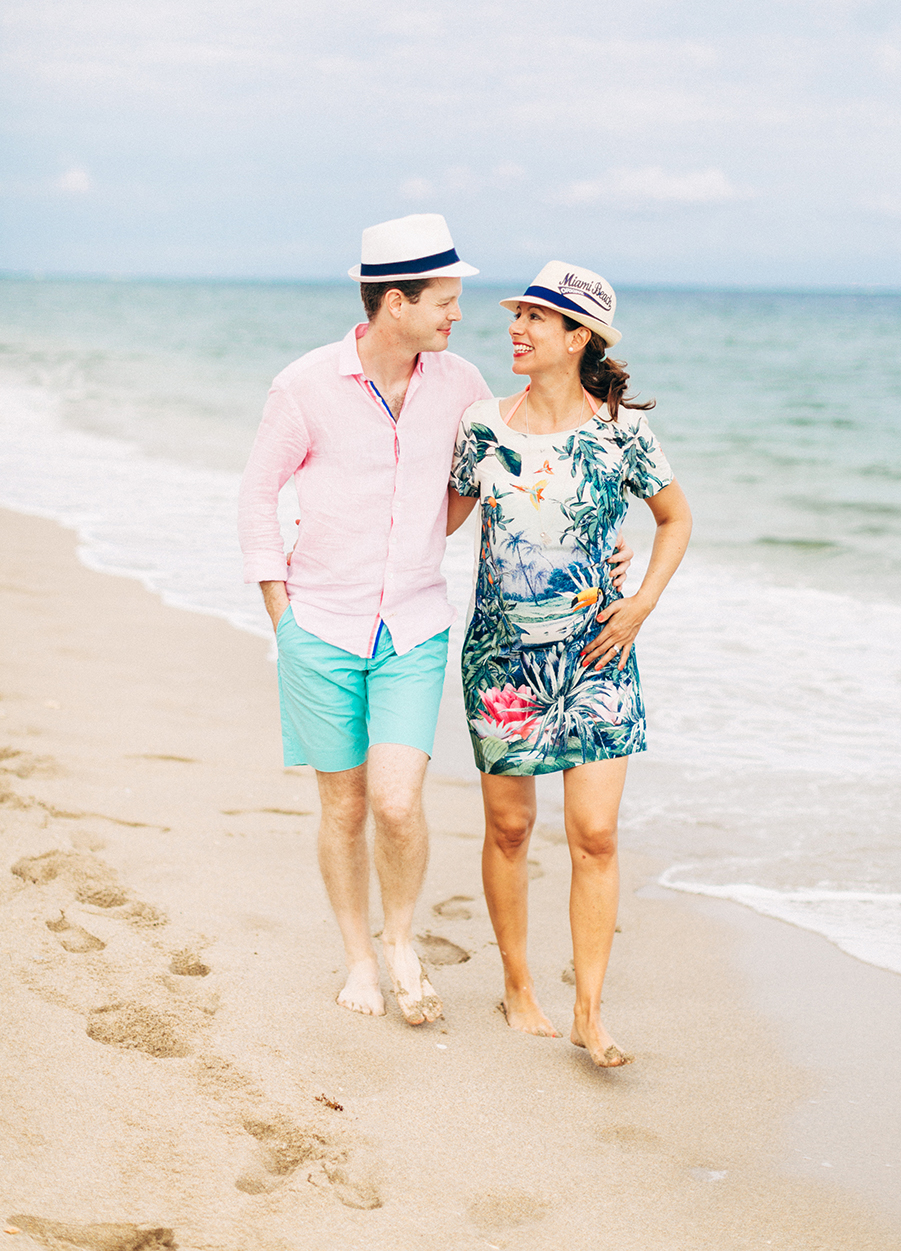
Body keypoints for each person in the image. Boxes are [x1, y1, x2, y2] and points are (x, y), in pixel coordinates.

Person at [239, 215, 634, 1026]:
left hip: (414, 624)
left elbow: (523, 460)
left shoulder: (459, 386)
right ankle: (358, 957)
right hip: (317, 624)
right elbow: (256, 495)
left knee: (393, 802)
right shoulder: (304, 386)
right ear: (396, 302)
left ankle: (401, 942)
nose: (459, 316)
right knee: (343, 806)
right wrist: (279, 611)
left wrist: (603, 536)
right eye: (445, 301)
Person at [447, 261, 692, 1066]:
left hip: (597, 653)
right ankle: (519, 985)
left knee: (594, 833)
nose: (516, 330)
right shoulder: (484, 424)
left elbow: (675, 517)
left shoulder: (621, 431)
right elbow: (437, 521)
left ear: (578, 337)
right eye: (517, 316)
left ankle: (590, 1011)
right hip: (502, 656)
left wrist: (642, 599)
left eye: (535, 320)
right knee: (511, 828)